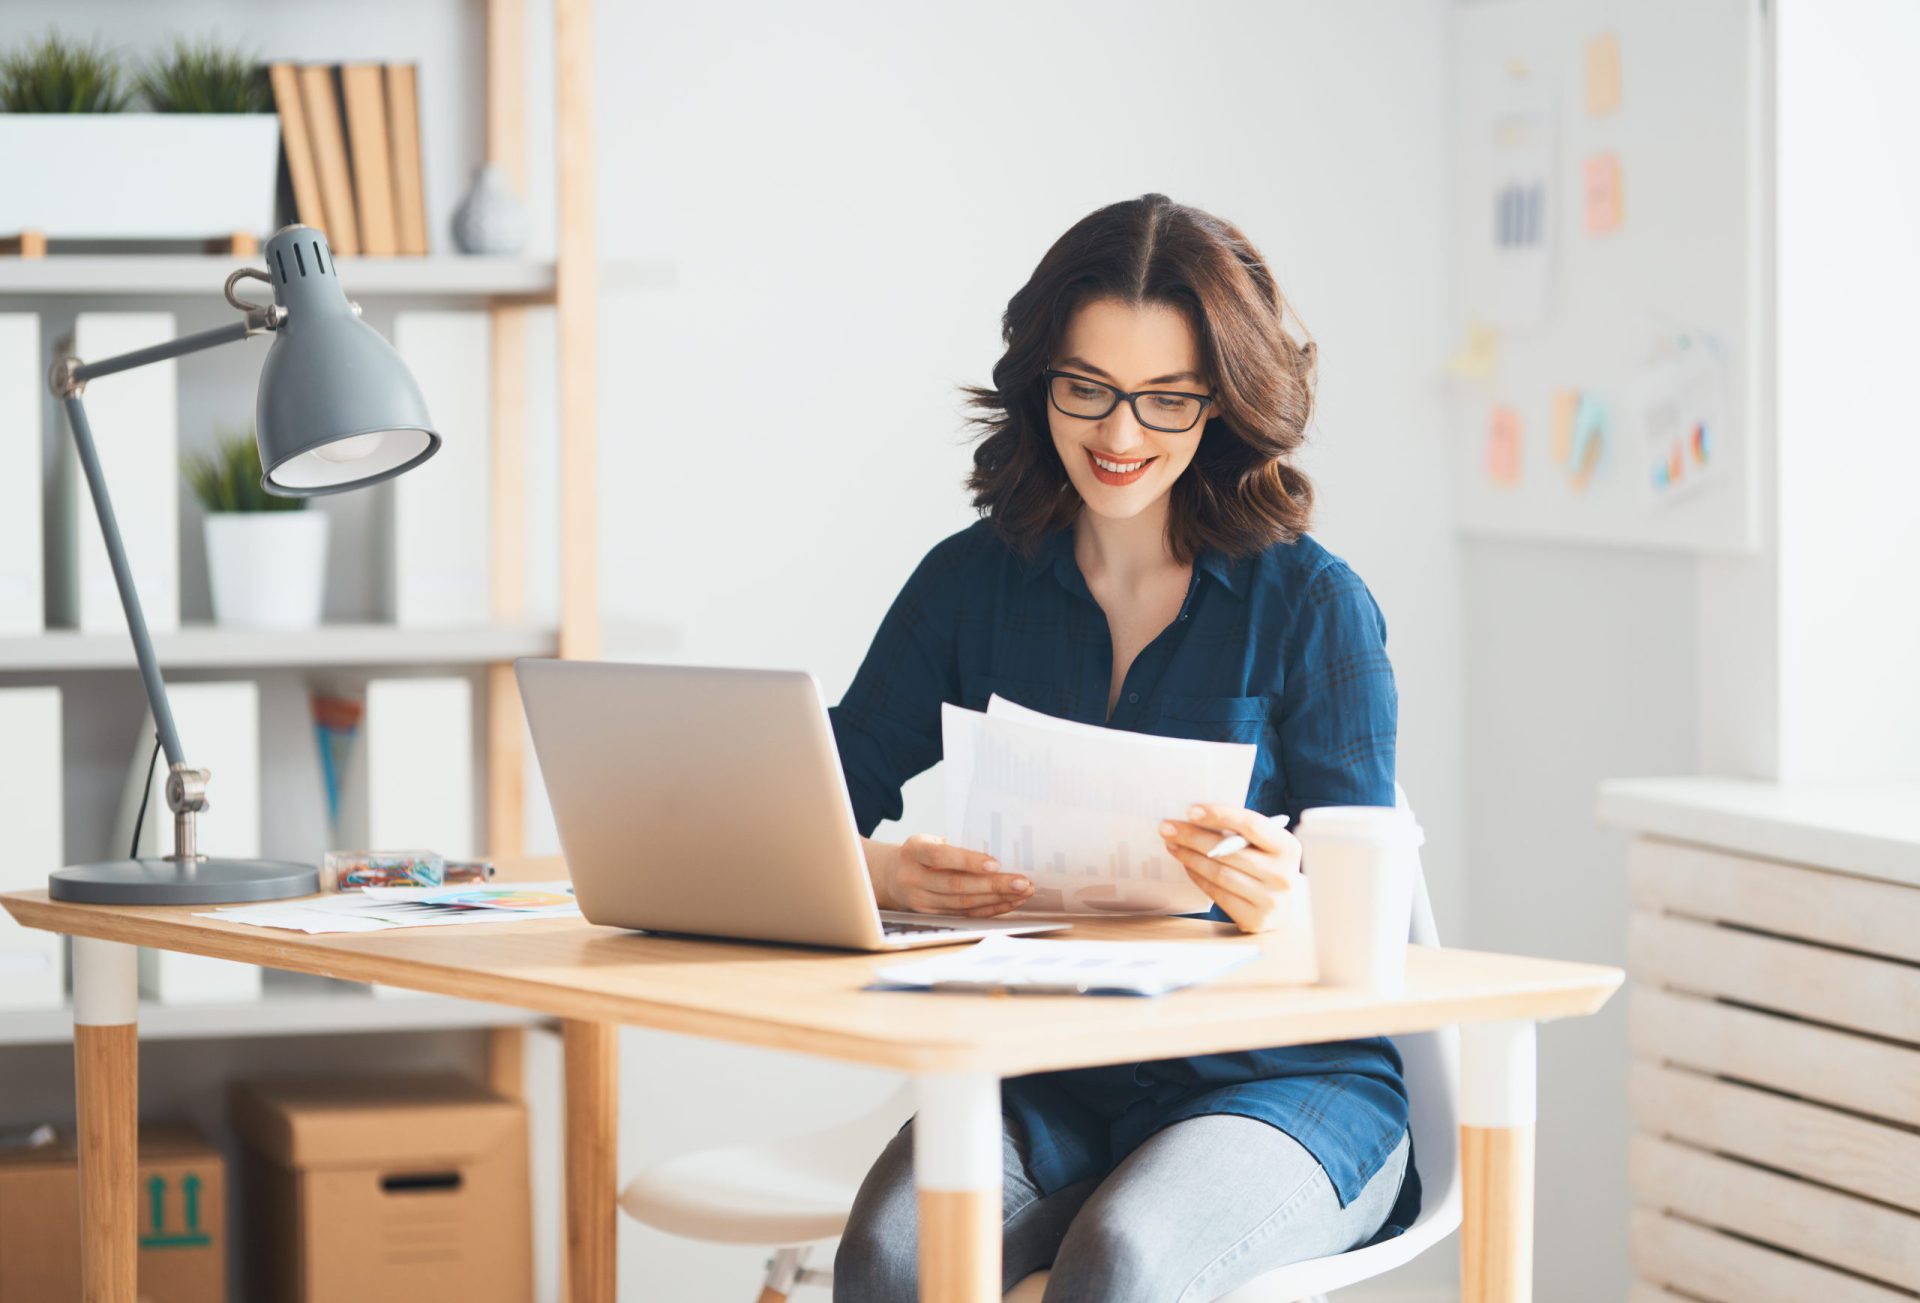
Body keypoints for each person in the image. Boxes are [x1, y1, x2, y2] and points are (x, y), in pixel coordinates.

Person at [828, 193, 1417, 1303]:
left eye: (1167, 399)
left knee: (1121, 1262)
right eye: (1087, 388)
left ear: (1225, 404)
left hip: (1287, 1084)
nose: (1120, 434)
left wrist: (1280, 896)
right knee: (892, 1258)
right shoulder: (971, 583)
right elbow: (807, 804)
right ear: (1039, 379)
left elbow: (1365, 932)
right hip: (1054, 1072)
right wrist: (890, 873)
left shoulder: (1313, 605)